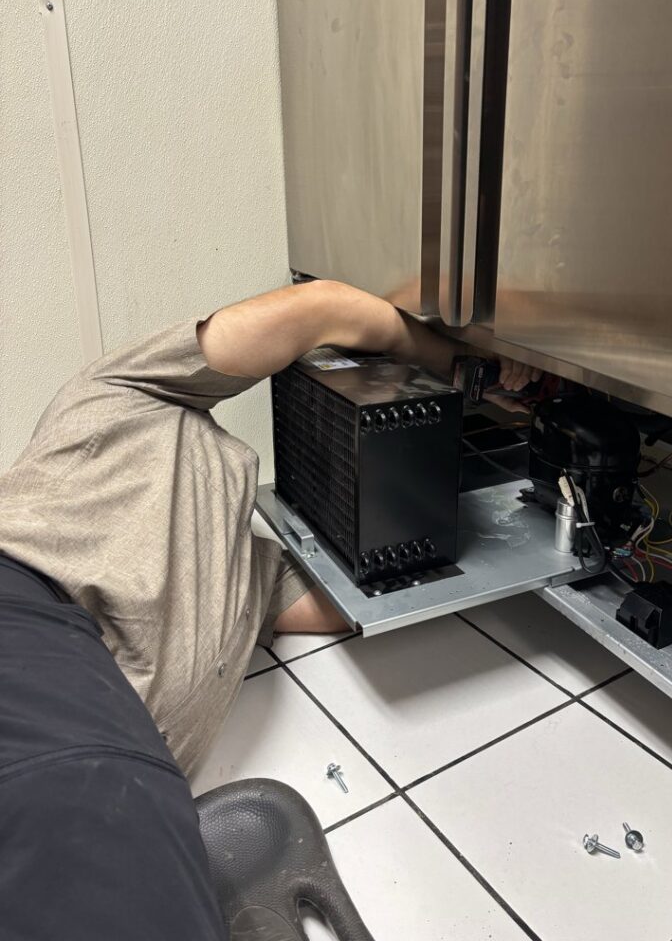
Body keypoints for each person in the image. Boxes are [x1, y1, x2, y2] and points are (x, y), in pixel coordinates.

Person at [0, 279, 538, 938]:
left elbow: (337, 602)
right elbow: (318, 310)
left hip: (127, 777)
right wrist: (463, 368)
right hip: (26, 612)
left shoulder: (240, 574)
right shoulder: (110, 399)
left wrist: (482, 548)